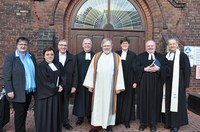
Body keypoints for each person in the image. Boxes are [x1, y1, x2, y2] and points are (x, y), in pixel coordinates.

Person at [83, 38, 125, 132]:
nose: (107, 47)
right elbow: (91, 70)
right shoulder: (96, 56)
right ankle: (96, 125)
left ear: (111, 46)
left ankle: (108, 124)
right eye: (105, 46)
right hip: (98, 86)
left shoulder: (117, 57)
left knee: (109, 105)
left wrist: (118, 87)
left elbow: (120, 72)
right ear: (102, 46)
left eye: (108, 46)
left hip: (111, 86)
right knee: (98, 105)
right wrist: (90, 85)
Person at [3, 37, 37, 132]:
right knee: (19, 114)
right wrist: (9, 89)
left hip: (29, 91)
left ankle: (22, 129)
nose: (23, 46)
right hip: (18, 91)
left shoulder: (31, 56)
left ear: (27, 46)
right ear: (17, 45)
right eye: (21, 44)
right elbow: (6, 75)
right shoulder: (11, 57)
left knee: (24, 112)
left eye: (25, 44)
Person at [136, 40, 168, 132]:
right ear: (146, 47)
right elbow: (135, 67)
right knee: (143, 102)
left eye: (151, 46)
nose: (150, 47)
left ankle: (153, 124)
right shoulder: (140, 56)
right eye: (148, 46)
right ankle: (143, 123)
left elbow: (167, 68)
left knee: (155, 102)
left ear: (155, 46)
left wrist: (159, 69)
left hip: (156, 84)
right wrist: (144, 69)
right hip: (143, 84)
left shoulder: (161, 57)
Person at [161, 38, 191, 132]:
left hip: (178, 84)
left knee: (177, 104)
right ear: (168, 46)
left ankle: (176, 124)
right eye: (170, 44)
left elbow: (187, 71)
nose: (172, 46)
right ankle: (169, 122)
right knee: (168, 102)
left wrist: (186, 85)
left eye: (173, 44)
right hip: (167, 84)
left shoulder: (182, 56)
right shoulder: (166, 56)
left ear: (177, 45)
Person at [35, 47, 63, 132]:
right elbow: (44, 82)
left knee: (54, 114)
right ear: (44, 56)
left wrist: (62, 85)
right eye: (47, 54)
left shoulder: (58, 64)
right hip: (45, 95)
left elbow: (63, 76)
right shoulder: (41, 66)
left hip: (56, 95)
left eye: (51, 54)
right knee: (45, 115)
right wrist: (56, 88)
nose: (50, 56)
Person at [54, 39, 78, 130]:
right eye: (61, 45)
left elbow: (76, 72)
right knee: (55, 103)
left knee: (65, 104)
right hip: (56, 85)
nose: (63, 47)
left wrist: (74, 86)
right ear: (58, 46)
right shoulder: (53, 56)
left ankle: (65, 122)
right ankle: (56, 121)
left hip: (68, 85)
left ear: (67, 47)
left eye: (65, 45)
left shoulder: (72, 57)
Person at [115, 37, 137, 128]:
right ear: (121, 45)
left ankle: (126, 120)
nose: (125, 45)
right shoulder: (116, 53)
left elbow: (135, 69)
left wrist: (135, 81)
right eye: (123, 43)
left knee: (128, 100)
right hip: (118, 80)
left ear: (128, 45)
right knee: (118, 100)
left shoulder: (133, 55)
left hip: (129, 80)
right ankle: (118, 119)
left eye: (126, 43)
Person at [73, 38, 95, 125]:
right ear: (82, 45)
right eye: (85, 43)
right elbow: (75, 70)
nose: (87, 45)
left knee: (90, 99)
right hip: (81, 82)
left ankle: (90, 116)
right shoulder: (77, 56)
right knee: (80, 100)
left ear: (91, 45)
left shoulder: (95, 56)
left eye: (89, 43)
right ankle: (80, 117)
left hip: (91, 83)